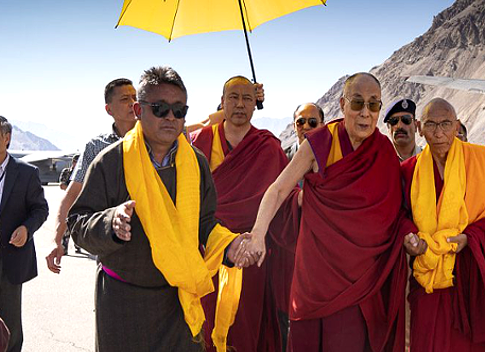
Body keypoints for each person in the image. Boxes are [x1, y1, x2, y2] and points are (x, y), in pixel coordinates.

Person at [67, 66, 254, 352]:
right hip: (123, 305)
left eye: (179, 110)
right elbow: (78, 223)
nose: (171, 117)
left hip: (178, 302)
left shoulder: (197, 163)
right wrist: (110, 222)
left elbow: (205, 222)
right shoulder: (112, 161)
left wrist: (228, 246)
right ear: (139, 110)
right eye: (160, 108)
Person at [238, 72, 415, 351]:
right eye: (357, 103)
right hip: (317, 275)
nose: (365, 113)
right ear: (343, 105)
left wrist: (408, 236)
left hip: (362, 281)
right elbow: (278, 189)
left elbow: (395, 212)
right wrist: (258, 234)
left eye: (373, 104)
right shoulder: (321, 142)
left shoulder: (383, 151)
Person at [191, 75, 300, 352]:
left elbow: (284, 201)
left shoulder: (268, 147)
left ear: (256, 104)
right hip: (208, 254)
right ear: (222, 101)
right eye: (233, 97)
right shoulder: (200, 141)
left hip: (251, 257)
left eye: (247, 98)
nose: (240, 104)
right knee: (204, 327)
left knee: (246, 331)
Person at [400, 98, 485, 351]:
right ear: (420, 127)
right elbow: (399, 217)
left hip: (468, 278)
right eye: (431, 125)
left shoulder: (481, 161)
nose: (439, 133)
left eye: (445, 124)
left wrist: (470, 237)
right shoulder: (408, 171)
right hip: (428, 280)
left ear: (457, 126)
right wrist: (409, 237)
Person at [45, 78, 137, 270]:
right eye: (124, 99)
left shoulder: (155, 139)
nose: (133, 102)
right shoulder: (96, 148)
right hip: (110, 247)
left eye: (135, 97)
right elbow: (72, 195)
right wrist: (56, 240)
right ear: (109, 109)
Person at [0, 116, 49, 352]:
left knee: (9, 325)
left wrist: (26, 228)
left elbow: (40, 209)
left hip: (10, 259)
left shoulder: (26, 173)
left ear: (6, 138)